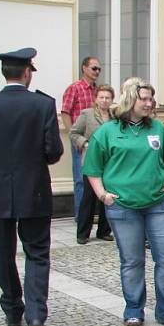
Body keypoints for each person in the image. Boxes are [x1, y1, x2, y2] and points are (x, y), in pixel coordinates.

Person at [0, 47, 63, 326]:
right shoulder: (42, 105)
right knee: (37, 254)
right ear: (27, 73)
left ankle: (13, 309)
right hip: (35, 191)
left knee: (4, 252)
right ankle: (36, 315)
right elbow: (54, 151)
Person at [82, 78, 164, 326]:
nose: (149, 103)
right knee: (132, 260)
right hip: (122, 206)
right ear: (129, 100)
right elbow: (93, 167)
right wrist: (103, 195)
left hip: (158, 203)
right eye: (144, 98)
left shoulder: (158, 129)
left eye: (151, 99)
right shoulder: (108, 131)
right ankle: (134, 309)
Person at [70, 84, 115, 244]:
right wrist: (85, 143)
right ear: (96, 99)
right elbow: (74, 133)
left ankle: (104, 230)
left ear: (112, 100)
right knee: (89, 197)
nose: (104, 101)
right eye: (101, 97)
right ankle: (83, 233)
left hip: (109, 163)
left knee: (107, 197)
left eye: (107, 98)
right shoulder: (87, 114)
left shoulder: (114, 116)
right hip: (91, 161)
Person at [62, 56, 102, 217]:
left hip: (97, 142)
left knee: (95, 177)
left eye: (99, 69)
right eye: (94, 68)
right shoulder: (75, 88)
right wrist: (73, 136)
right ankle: (81, 215)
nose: (97, 72)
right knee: (80, 178)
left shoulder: (98, 91)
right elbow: (65, 112)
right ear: (84, 68)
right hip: (80, 140)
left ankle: (93, 215)